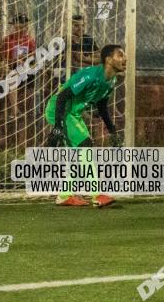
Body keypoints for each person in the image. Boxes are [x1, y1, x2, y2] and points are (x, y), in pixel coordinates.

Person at [44, 44, 126, 207]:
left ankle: (65, 195)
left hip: (73, 113)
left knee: (80, 153)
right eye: (120, 55)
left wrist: (112, 131)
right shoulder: (90, 75)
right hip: (59, 110)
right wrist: (58, 126)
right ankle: (97, 195)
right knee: (85, 146)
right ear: (108, 60)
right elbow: (62, 97)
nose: (125, 58)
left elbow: (102, 106)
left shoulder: (111, 80)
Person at [2, 13, 37, 116]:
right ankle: (15, 111)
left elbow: (33, 56)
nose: (23, 29)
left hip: (26, 67)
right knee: (13, 76)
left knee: (35, 74)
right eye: (20, 26)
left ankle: (30, 109)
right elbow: (4, 59)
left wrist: (27, 59)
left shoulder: (29, 40)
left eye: (25, 27)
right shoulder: (8, 40)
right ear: (14, 26)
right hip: (11, 67)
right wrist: (15, 60)